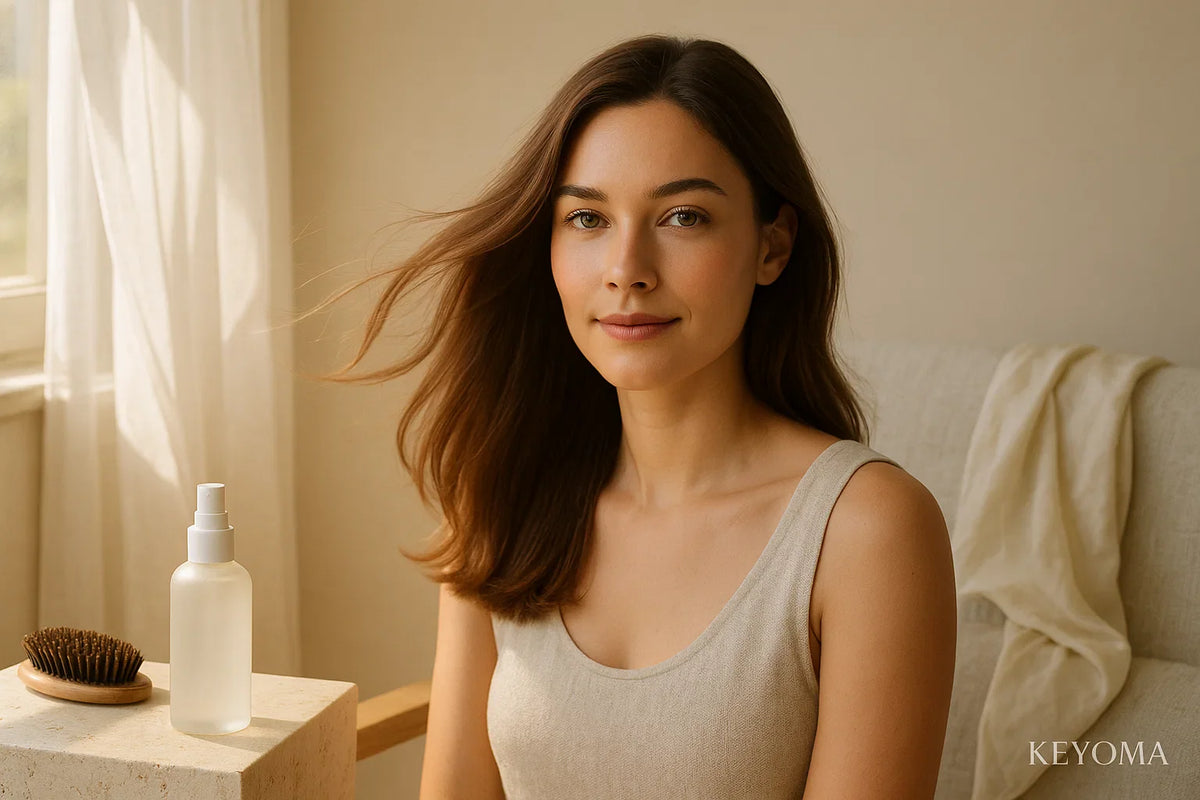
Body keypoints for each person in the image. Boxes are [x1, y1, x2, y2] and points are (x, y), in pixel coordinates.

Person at [315, 33, 956, 800]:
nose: (627, 271)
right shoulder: (505, 499)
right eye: (587, 219)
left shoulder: (867, 531)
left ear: (772, 246)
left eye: (683, 217)